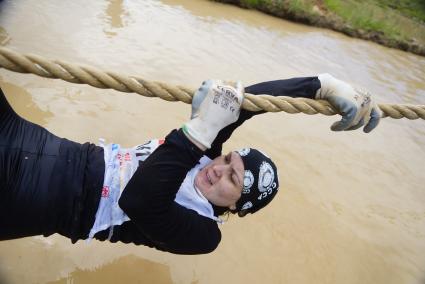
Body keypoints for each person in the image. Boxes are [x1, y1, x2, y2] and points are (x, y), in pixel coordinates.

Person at [0, 74, 380, 255]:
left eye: (232, 178)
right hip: (43, 143)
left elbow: (141, 201)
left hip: (38, 201)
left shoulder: (203, 234)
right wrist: (322, 86)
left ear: (235, 206)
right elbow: (249, 103)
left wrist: (198, 130)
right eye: (228, 158)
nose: (218, 167)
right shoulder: (204, 154)